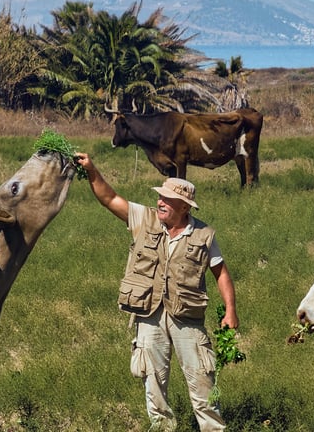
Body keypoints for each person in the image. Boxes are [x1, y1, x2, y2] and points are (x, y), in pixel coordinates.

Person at [75, 152, 239, 432]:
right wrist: (92, 170)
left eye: (167, 200)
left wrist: (231, 311)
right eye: (160, 197)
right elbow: (110, 199)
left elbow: (220, 272)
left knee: (202, 380)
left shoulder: (203, 235)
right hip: (149, 314)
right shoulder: (145, 219)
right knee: (153, 381)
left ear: (184, 207)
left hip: (186, 316)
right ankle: (162, 428)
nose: (160, 202)